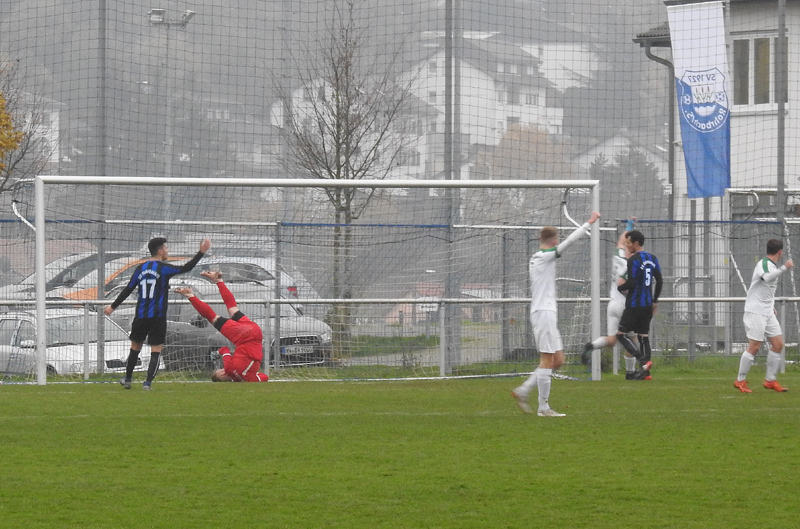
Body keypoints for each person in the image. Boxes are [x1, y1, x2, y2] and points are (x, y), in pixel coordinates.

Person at [512, 211, 601, 417]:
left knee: (558, 360)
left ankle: (523, 390)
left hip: (546, 312)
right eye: (557, 239)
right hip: (543, 312)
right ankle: (543, 408)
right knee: (546, 358)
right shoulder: (544, 256)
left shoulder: (539, 257)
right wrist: (589, 222)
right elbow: (569, 242)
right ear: (553, 240)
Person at [105, 237, 211, 389]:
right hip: (158, 316)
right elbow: (186, 268)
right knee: (156, 349)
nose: (168, 251)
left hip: (141, 315)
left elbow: (128, 289)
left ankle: (128, 379)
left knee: (135, 347)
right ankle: (147, 383)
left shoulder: (140, 268)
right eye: (166, 248)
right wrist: (201, 252)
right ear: (160, 251)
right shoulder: (163, 268)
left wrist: (112, 307)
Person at [173, 270, 268, 382]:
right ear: (222, 375)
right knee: (214, 317)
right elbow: (225, 349)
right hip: (243, 336)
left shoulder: (249, 378)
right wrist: (217, 353)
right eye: (219, 371)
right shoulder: (230, 370)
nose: (222, 369)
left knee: (232, 308)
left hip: (256, 333)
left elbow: (265, 377)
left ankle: (218, 280)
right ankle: (190, 294)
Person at [582, 219, 640, 378]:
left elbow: (621, 240)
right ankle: (630, 372)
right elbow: (625, 285)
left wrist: (629, 226)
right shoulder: (631, 264)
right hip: (624, 306)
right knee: (633, 339)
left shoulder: (618, 255)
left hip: (612, 304)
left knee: (612, 340)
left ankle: (591, 346)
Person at [734, 239, 793, 393]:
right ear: (780, 251)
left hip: (767, 311)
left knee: (778, 344)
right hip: (756, 312)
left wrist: (770, 305)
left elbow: (766, 290)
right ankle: (740, 380)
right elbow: (767, 278)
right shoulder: (764, 264)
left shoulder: (771, 266)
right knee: (754, 347)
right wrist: (784, 267)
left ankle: (770, 380)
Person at [615, 229, 662, 380]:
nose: (627, 246)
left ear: (636, 243)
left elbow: (632, 282)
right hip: (648, 305)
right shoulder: (652, 258)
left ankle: (643, 361)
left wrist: (620, 287)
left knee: (621, 335)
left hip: (634, 304)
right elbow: (660, 281)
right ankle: (646, 373)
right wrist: (654, 301)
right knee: (643, 337)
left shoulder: (633, 260)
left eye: (628, 243)